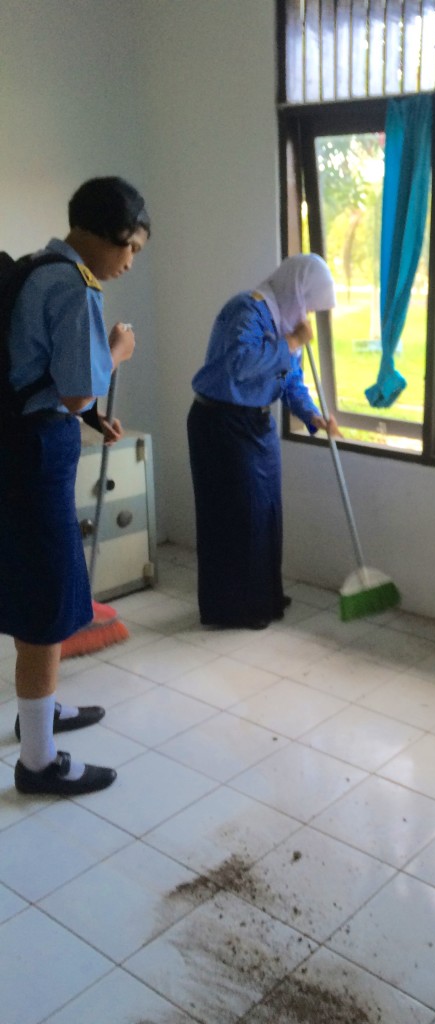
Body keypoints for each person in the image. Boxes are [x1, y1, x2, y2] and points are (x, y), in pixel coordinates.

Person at [0, 176, 150, 795]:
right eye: (130, 247)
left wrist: (87, 418)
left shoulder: (35, 267)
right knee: (45, 601)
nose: (128, 263)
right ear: (99, 235)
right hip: (35, 459)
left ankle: (40, 712)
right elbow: (77, 386)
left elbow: (30, 370)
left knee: (34, 585)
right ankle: (37, 761)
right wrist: (115, 352)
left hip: (18, 448)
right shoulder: (73, 285)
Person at [187, 252, 340, 629]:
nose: (308, 312)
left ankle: (263, 598)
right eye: (309, 302)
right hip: (220, 423)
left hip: (257, 425)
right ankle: (233, 608)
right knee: (235, 515)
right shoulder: (247, 310)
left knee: (265, 514)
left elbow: (290, 381)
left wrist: (312, 416)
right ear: (296, 289)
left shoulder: (287, 321)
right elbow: (240, 363)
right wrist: (289, 342)